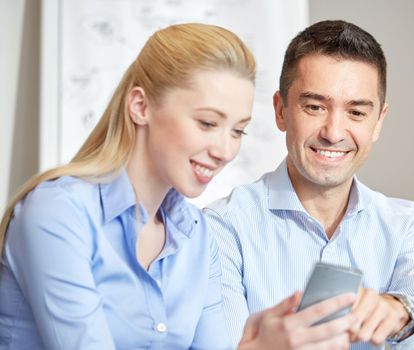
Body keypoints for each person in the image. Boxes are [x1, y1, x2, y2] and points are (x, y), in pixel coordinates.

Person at [0, 23, 361, 350]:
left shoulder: (197, 235)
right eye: (207, 123)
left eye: (237, 130)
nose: (224, 150)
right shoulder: (58, 213)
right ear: (141, 106)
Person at [204, 20, 414, 350]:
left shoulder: (404, 228)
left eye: (356, 112)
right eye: (315, 107)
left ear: (378, 121)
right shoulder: (222, 227)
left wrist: (401, 313)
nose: (334, 132)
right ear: (281, 111)